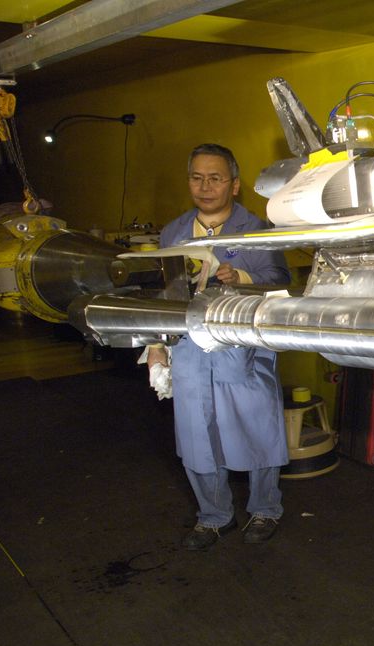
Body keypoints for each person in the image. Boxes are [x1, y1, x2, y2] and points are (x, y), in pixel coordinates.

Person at [148, 143, 291, 550]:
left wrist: (241, 277)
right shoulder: (173, 233)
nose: (205, 186)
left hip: (242, 348)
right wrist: (156, 345)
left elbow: (280, 281)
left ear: (234, 184)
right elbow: (164, 295)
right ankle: (213, 516)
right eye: (197, 178)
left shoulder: (257, 230)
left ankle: (265, 509)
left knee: (258, 428)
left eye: (215, 178)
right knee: (197, 434)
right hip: (190, 350)